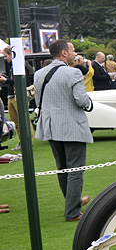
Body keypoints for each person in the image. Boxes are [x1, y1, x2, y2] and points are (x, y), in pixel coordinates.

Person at [32, 39, 93, 222]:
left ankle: (72, 203)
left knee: (63, 169)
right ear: (64, 53)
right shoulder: (73, 73)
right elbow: (82, 100)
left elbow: (37, 101)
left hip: (50, 127)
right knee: (75, 170)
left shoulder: (39, 73)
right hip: (71, 127)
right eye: (73, 50)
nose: (76, 54)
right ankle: (72, 212)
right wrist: (90, 105)